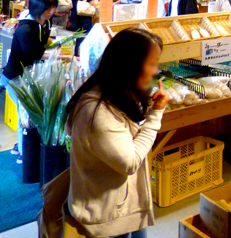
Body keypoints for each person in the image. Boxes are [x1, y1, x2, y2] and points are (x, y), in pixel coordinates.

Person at [66, 29, 170, 238]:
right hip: (106, 214)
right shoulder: (96, 112)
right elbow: (129, 162)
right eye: (152, 63)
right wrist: (155, 114)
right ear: (129, 66)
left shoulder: (116, 92)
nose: (156, 71)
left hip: (125, 204)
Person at [1, 0, 57, 162]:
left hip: (30, 76)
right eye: (47, 8)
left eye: (53, 7)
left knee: (31, 114)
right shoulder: (25, 29)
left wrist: (55, 44)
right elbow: (33, 54)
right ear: (37, 8)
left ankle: (23, 147)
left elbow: (45, 41)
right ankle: (24, 154)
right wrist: (61, 55)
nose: (51, 11)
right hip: (15, 78)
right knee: (25, 115)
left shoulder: (45, 22)